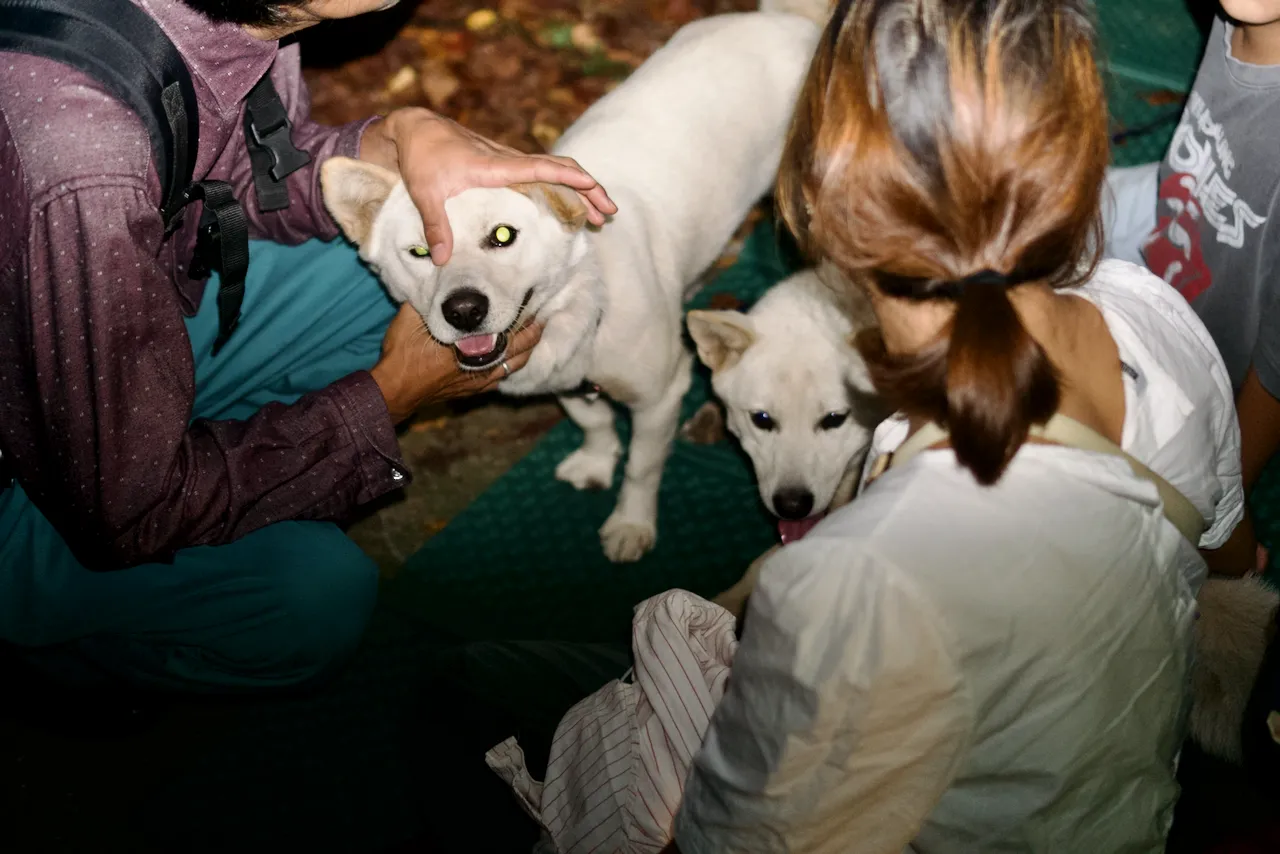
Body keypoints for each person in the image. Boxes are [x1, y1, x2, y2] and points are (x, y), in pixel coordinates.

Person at [415, 1, 1250, 851]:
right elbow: (1230, 562)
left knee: (456, 685)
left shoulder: (849, 570)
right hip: (1126, 806)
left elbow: (729, 837)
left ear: (822, 208)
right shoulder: (1158, 316)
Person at [0, 0, 616, 696]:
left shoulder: (247, 12)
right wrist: (388, 398)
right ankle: (68, 661)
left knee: (389, 283)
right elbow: (126, 512)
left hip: (121, 319)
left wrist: (397, 138)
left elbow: (225, 172)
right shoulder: (84, 160)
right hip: (41, 481)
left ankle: (232, 458)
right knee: (317, 597)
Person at [1103, 0, 1280, 573]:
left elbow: (1274, 384)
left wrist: (1213, 510)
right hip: (1169, 219)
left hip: (1198, 349)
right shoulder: (1243, 16)